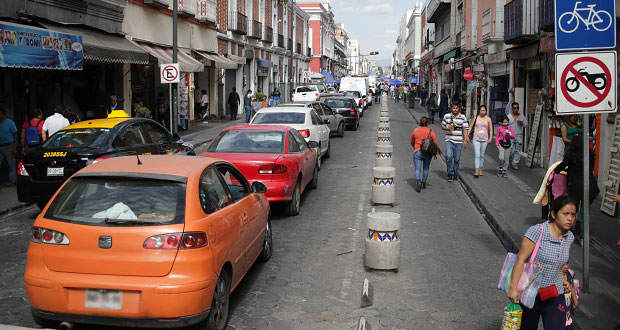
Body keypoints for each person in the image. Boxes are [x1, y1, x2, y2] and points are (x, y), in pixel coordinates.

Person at [508, 196, 576, 330]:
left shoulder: (570, 237)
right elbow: (521, 259)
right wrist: (513, 288)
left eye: (573, 215)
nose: (570, 218)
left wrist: (564, 279)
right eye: (566, 213)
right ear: (553, 214)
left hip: (555, 294)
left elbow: (562, 263)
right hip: (531, 294)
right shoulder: (538, 231)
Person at [554, 135, 599, 244]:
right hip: (590, 186)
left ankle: (568, 230)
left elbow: (558, 169)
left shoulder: (571, 155)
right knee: (585, 211)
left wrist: (567, 170)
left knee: (572, 209)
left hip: (575, 186)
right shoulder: (590, 154)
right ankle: (584, 236)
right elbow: (590, 169)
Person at [441, 101, 469, 182]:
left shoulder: (463, 117)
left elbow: (465, 129)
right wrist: (447, 128)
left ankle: (456, 173)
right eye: (453, 108)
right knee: (448, 156)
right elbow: (442, 126)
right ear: (451, 108)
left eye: (457, 108)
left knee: (457, 159)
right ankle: (450, 173)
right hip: (449, 139)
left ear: (459, 108)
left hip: (459, 141)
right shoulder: (447, 116)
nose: (455, 110)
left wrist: (465, 139)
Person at [410, 116, 438, 192]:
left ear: (420, 122)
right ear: (428, 123)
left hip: (417, 151)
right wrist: (436, 154)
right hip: (428, 152)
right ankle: (424, 182)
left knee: (417, 169)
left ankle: (418, 181)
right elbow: (435, 142)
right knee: (426, 168)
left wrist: (415, 146)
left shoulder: (416, 130)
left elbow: (412, 141)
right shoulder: (431, 131)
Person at [469, 105, 493, 178]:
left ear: (486, 111)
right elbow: (471, 126)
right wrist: (467, 134)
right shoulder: (475, 118)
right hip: (476, 138)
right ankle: (476, 170)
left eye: (484, 110)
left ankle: (481, 169)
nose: (482, 112)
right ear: (479, 111)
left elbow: (491, 129)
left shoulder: (488, 119)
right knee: (477, 154)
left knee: (482, 155)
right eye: (481, 110)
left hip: (484, 139)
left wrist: (490, 137)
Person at [0, 107, 18, 187]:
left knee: (11, 163)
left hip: (8, 145)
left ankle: (12, 180)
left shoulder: (10, 123)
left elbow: (15, 135)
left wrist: (15, 147)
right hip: (0, 145)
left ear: (3, 114)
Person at [508, 102, 528, 170]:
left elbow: (526, 125)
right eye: (515, 108)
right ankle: (509, 159)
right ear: (512, 109)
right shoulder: (509, 117)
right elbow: (505, 126)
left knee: (517, 151)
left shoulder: (522, 116)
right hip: (510, 136)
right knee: (511, 151)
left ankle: (515, 163)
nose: (516, 109)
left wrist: (522, 123)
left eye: (517, 108)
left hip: (519, 135)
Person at [561, 264, 579, 328]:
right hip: (559, 316)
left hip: (568, 317)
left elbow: (572, 286)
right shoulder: (556, 277)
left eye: (567, 263)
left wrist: (575, 302)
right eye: (564, 264)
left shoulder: (568, 274)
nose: (566, 266)